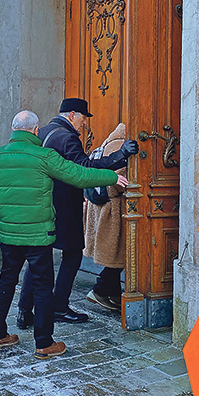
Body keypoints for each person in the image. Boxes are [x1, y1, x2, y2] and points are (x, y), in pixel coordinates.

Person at [0, 111, 128, 358]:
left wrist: (8, 211)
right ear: (36, 131)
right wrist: (113, 176)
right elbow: (79, 175)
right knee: (43, 286)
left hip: (9, 233)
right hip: (38, 234)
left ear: (14, 130)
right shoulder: (44, 156)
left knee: (6, 281)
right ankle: (44, 343)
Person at [16, 98, 139, 327]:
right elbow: (84, 168)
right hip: (63, 207)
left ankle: (24, 310)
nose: (84, 125)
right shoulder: (66, 136)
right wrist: (120, 154)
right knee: (72, 255)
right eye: (83, 118)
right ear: (72, 115)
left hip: (41, 203)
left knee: (37, 258)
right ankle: (60, 306)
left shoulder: (42, 132)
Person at [84, 123, 129, 310]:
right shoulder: (120, 146)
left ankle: (112, 294)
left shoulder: (106, 143)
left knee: (116, 254)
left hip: (100, 207)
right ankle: (100, 290)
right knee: (118, 254)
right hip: (113, 209)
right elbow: (118, 181)